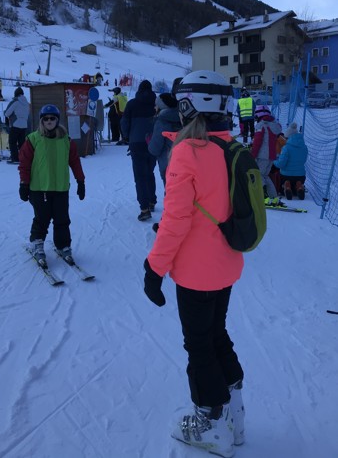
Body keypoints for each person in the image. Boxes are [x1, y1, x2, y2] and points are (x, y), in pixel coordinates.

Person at [143, 70, 244, 458]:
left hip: (197, 273)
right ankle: (234, 415)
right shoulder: (230, 147)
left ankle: (212, 422)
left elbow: (176, 219)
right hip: (226, 266)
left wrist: (155, 268)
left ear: (189, 107)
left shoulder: (188, 152)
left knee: (199, 345)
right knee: (217, 334)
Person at [18, 104, 85, 267]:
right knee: (42, 218)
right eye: (46, 119)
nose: (49, 121)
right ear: (41, 121)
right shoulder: (33, 139)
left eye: (52, 118)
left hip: (61, 187)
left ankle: (63, 245)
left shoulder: (66, 140)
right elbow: (24, 164)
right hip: (40, 188)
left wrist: (80, 181)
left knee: (62, 219)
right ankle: (37, 243)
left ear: (57, 120)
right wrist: (24, 184)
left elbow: (75, 161)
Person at [120, 79, 157, 221]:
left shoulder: (132, 104)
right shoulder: (156, 104)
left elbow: (124, 122)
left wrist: (127, 137)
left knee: (140, 176)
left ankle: (144, 208)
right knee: (150, 172)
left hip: (136, 143)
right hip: (153, 143)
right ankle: (152, 201)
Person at [251, 104, 283, 206]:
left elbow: (257, 142)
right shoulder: (274, 125)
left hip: (262, 155)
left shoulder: (261, 125)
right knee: (265, 175)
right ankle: (273, 197)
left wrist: (252, 155)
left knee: (259, 175)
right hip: (271, 155)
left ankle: (264, 196)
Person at [148, 92, 181, 186]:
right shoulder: (185, 118)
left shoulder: (162, 122)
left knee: (171, 193)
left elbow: (154, 149)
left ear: (162, 107)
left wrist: (149, 140)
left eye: (156, 105)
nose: (155, 107)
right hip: (186, 164)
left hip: (168, 165)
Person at [274, 122, 308, 200]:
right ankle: (299, 185)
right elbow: (304, 160)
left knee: (284, 180)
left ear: (288, 137)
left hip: (286, 175)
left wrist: (274, 161)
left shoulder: (286, 148)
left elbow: (281, 164)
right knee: (298, 181)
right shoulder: (304, 147)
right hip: (301, 175)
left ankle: (287, 185)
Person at [4, 87, 30, 163]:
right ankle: (22, 158)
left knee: (12, 142)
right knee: (22, 143)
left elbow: (7, 113)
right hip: (24, 125)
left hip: (15, 124)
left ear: (16, 94)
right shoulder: (27, 103)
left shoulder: (15, 102)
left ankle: (15, 158)